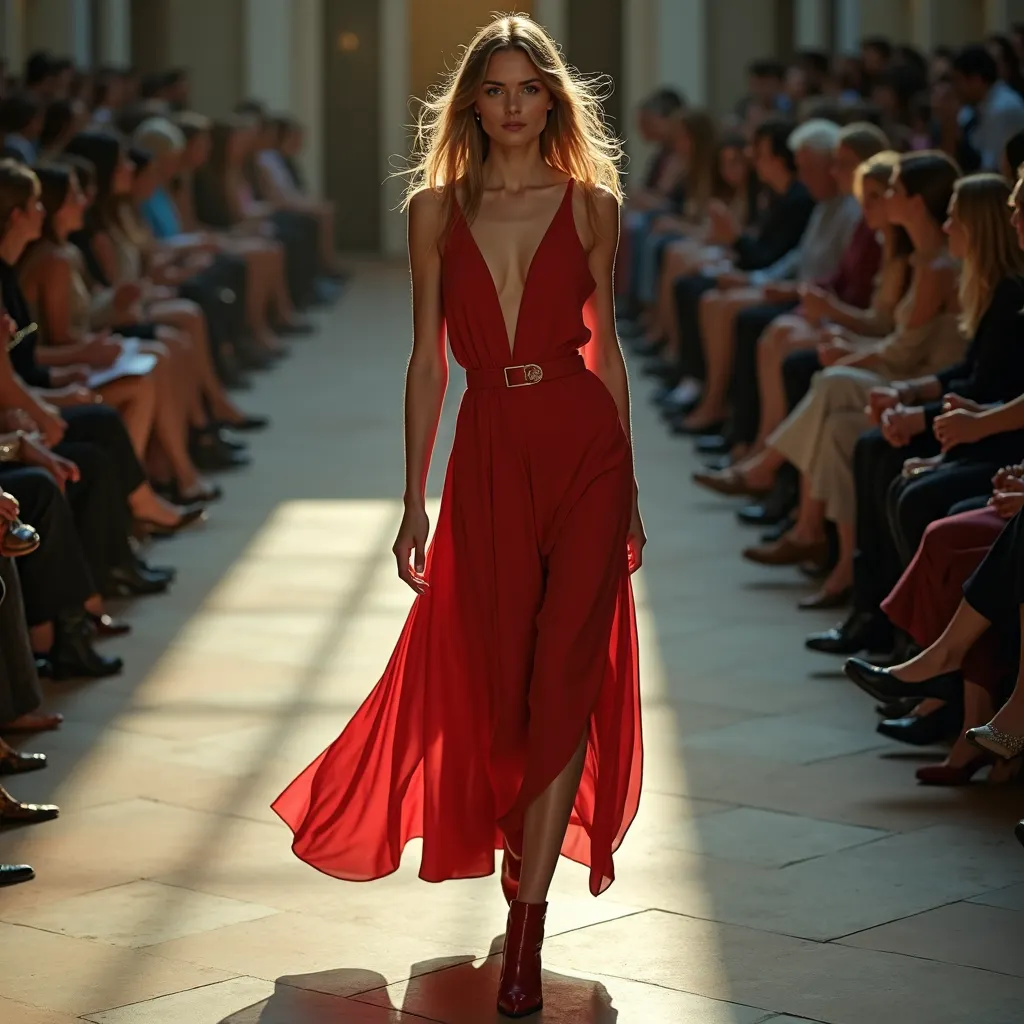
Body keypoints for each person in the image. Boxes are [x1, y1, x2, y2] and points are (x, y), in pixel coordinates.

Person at [272, 15, 644, 1019]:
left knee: (566, 667)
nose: (514, 104)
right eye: (496, 89)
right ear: (473, 103)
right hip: (486, 450)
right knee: (500, 680)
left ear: (552, 100)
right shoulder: (434, 209)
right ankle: (517, 850)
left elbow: (605, 353)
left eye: (530, 87)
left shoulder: (596, 206)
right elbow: (429, 358)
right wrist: (411, 496)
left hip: (581, 447)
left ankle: (527, 924)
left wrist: (633, 488)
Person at [951, 45, 1024, 171]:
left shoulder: (1004, 108)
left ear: (976, 80)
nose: (955, 88)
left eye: (958, 80)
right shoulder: (971, 108)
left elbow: (991, 168)